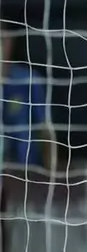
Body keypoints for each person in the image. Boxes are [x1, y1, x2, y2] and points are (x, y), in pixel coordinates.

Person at [1, 31, 57, 172]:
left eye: (1, 41)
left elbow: (46, 130)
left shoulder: (28, 81)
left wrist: (51, 170)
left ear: (9, 43)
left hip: (26, 172)